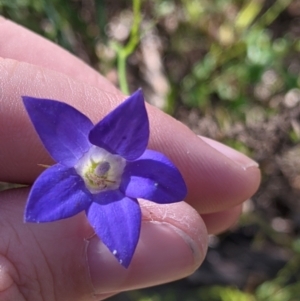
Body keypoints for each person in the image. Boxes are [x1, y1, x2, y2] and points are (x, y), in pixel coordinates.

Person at [0, 17, 260, 301]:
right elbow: (42, 197)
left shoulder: (121, 158)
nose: (97, 172)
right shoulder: (62, 176)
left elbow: (170, 186)